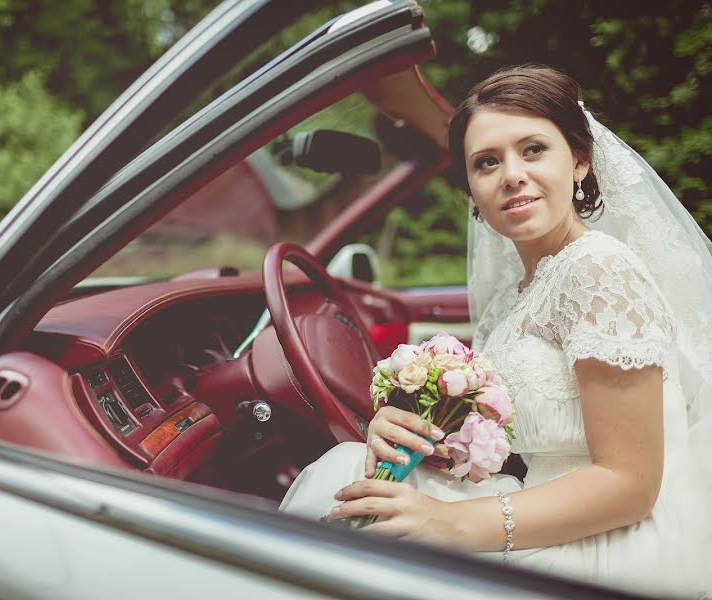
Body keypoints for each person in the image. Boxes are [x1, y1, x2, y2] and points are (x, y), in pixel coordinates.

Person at [279, 65, 712, 598]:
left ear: (578, 162)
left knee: (344, 496)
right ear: (473, 190)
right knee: (354, 475)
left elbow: (630, 487)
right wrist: (423, 436)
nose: (511, 174)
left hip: (615, 538)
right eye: (487, 162)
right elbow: (520, 441)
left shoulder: (599, 271)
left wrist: (449, 522)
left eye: (533, 149)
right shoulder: (518, 292)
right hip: (545, 508)